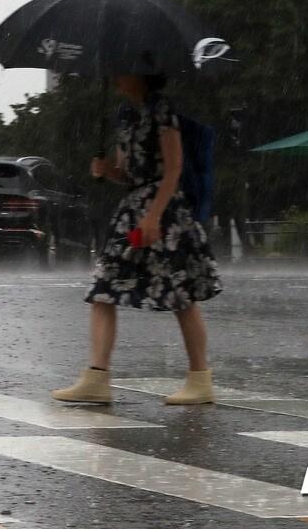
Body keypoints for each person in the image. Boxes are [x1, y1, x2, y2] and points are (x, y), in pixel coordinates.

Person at [51, 72, 222, 406]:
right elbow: (129, 172)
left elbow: (173, 169)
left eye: (123, 70)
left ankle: (200, 379)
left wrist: (155, 215)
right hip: (132, 211)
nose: (116, 76)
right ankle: (96, 377)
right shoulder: (126, 114)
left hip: (165, 212)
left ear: (141, 76)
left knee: (180, 294)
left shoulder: (162, 110)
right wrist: (106, 171)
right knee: (103, 288)